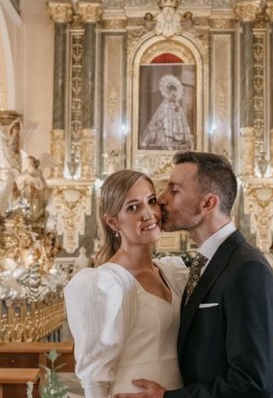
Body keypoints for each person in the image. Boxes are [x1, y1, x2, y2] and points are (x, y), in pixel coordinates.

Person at [117, 152, 273, 398]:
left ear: (208, 204)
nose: (161, 199)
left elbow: (254, 381)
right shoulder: (206, 262)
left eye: (174, 191)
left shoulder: (248, 270)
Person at [64, 170, 188, 397]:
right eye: (133, 207)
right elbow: (94, 378)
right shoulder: (104, 284)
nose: (149, 213)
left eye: (151, 201)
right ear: (112, 221)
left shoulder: (172, 272)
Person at [140, 75, 193, 150]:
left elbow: (184, 124)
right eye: (172, 94)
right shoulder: (164, 106)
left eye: (175, 94)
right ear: (168, 94)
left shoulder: (179, 108)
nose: (173, 96)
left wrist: (188, 139)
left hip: (178, 136)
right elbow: (156, 120)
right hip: (166, 135)